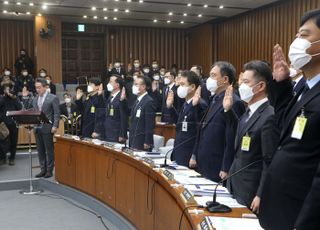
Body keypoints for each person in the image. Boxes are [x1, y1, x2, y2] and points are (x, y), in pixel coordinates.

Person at [259, 9, 320, 230]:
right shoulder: (304, 85)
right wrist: (282, 84)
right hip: (281, 207)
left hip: (300, 214)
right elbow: (288, 126)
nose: (296, 41)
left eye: (304, 35)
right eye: (296, 35)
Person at [223, 60, 274, 212]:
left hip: (251, 190)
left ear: (261, 86)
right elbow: (239, 139)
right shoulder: (248, 111)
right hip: (235, 183)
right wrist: (228, 110)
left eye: (246, 82)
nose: (241, 86)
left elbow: (268, 160)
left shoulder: (269, 115)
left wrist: (260, 194)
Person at [191, 61, 245, 182]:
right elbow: (203, 127)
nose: (209, 79)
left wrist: (226, 167)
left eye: (213, 75)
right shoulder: (215, 98)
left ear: (225, 79)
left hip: (218, 164)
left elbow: (231, 136)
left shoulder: (234, 102)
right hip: (205, 161)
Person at [167, 71, 207, 167]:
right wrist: (170, 107)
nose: (179, 88)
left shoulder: (200, 104)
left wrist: (194, 155)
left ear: (193, 87)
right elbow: (180, 124)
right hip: (179, 151)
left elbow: (200, 133)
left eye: (182, 84)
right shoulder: (185, 103)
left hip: (189, 154)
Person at [32, 78, 60, 178]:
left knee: (49, 150)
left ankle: (49, 170)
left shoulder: (53, 98)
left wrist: (55, 125)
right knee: (40, 150)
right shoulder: (35, 99)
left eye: (39, 87)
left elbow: (57, 113)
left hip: (48, 128)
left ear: (45, 87)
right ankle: (42, 169)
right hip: (37, 127)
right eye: (36, 88)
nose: (37, 89)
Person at [93, 75, 129, 143]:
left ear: (117, 85)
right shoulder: (110, 97)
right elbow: (103, 113)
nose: (108, 84)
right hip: (106, 133)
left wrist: (122, 134)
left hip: (115, 134)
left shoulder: (122, 98)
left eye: (110, 82)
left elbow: (123, 117)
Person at [129, 75, 156, 151]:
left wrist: (148, 142)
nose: (133, 86)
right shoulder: (137, 100)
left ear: (143, 86)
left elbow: (150, 124)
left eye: (136, 84)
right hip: (133, 138)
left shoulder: (148, 101)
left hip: (142, 141)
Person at [0, 84, 22, 165]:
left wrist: (14, 98)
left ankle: (12, 158)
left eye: (9, 89)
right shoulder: (2, 99)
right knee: (3, 141)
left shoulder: (15, 98)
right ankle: (3, 157)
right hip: (3, 124)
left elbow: (20, 107)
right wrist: (4, 96)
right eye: (6, 89)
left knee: (13, 141)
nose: (8, 91)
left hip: (13, 123)